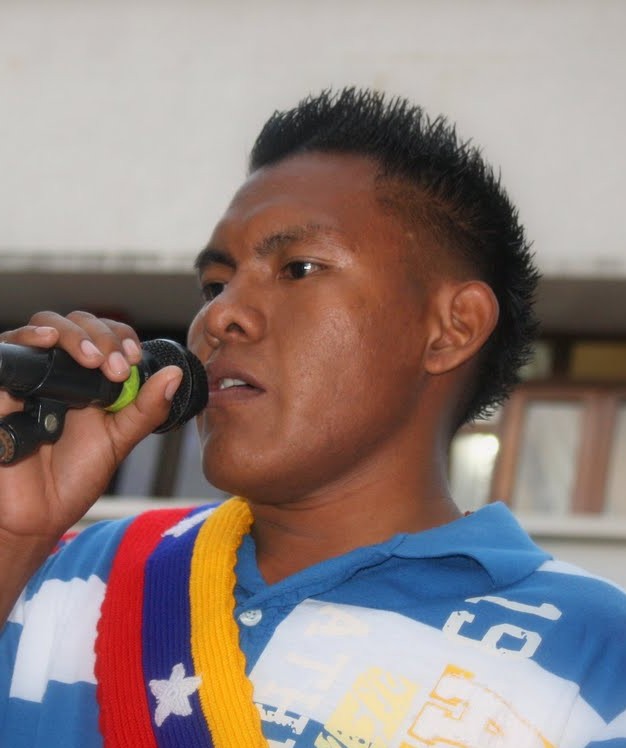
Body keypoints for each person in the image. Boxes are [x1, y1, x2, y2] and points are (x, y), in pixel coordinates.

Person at [0, 88, 625, 748]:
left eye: (298, 269)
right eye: (215, 284)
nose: (219, 315)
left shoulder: (597, 657)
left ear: (452, 328)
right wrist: (13, 537)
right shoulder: (64, 577)